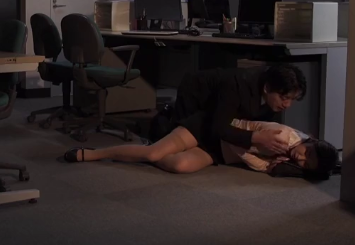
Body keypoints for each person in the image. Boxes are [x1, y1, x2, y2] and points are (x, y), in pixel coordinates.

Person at [64, 64, 330, 178]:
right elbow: (219, 126)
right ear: (268, 87)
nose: (287, 105)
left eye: (292, 100)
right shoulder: (237, 85)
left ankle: (155, 143)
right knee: (154, 153)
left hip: (224, 146)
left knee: (179, 165)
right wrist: (256, 138)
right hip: (208, 124)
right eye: (284, 98)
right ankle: (95, 153)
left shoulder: (274, 110)